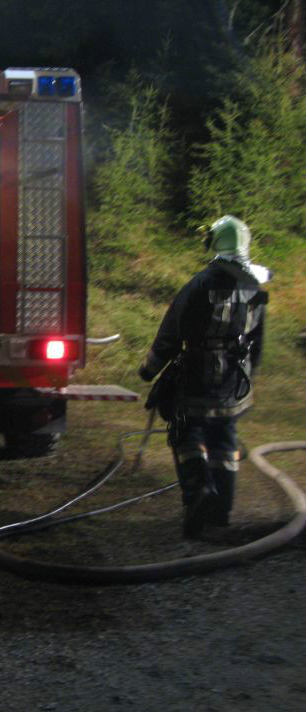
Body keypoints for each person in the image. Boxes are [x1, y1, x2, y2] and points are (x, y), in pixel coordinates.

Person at [137, 215, 270, 538]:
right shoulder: (254, 286)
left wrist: (149, 369)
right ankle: (220, 514)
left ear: (214, 243)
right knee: (225, 442)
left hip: (198, 374)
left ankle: (198, 492)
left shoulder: (201, 283)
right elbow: (257, 340)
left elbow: (172, 331)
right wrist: (248, 378)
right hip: (234, 381)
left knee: (186, 432)